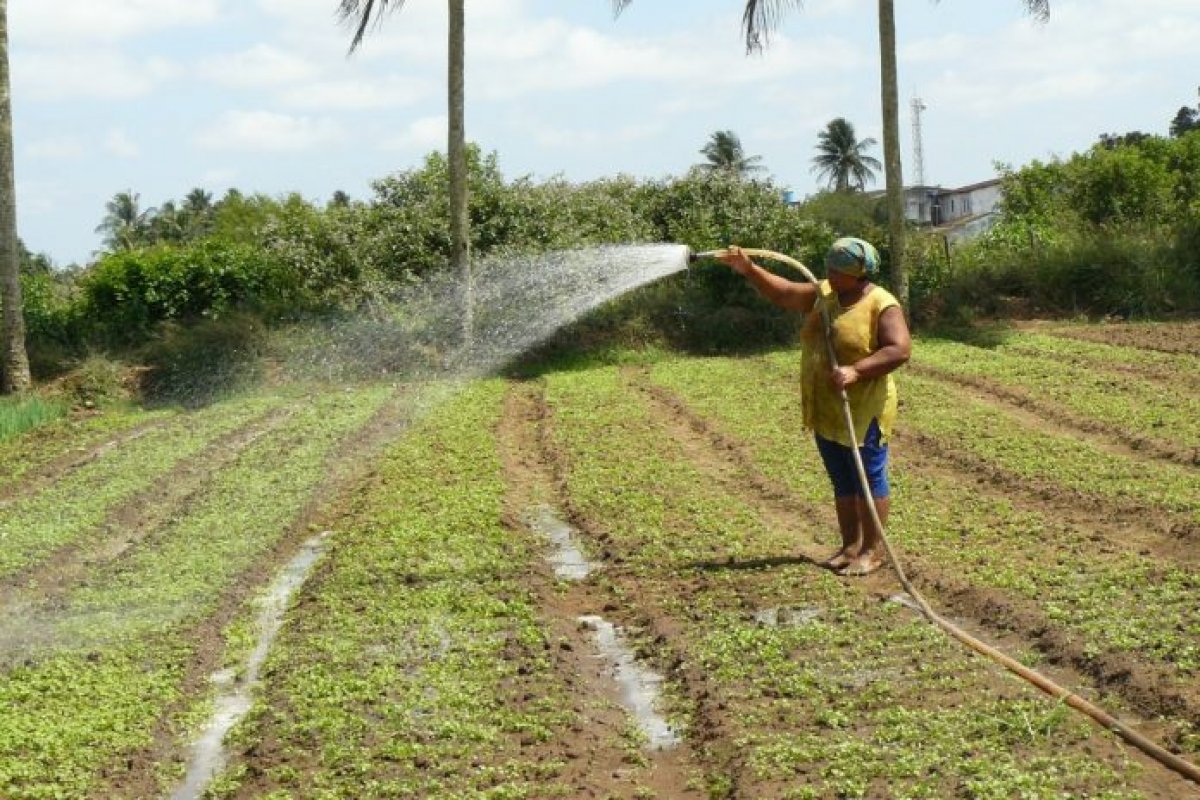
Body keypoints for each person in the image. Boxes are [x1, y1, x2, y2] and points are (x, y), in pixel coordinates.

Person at [717, 238, 911, 576]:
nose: (830, 275)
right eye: (829, 268)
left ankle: (871, 550)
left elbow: (899, 349)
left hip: (863, 407)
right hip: (827, 407)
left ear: (859, 273)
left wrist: (856, 370)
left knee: (868, 476)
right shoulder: (824, 294)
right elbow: (784, 293)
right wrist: (749, 269)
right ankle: (849, 546)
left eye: (838, 271)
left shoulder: (882, 303)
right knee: (842, 479)